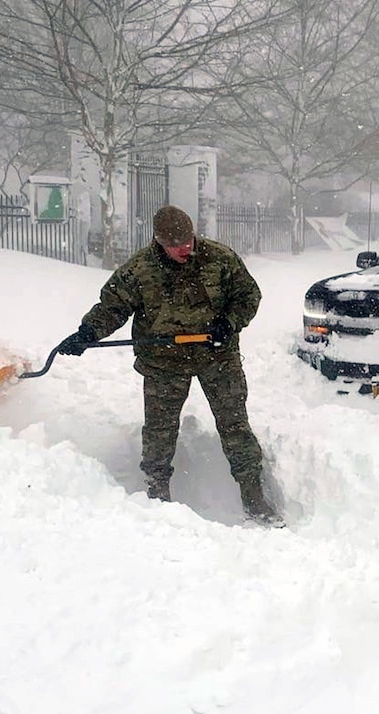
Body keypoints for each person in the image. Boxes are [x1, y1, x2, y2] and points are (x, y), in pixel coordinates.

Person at [55, 205, 283, 526]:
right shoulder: (140, 270)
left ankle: (253, 493)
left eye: (188, 240)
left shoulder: (220, 258)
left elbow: (248, 296)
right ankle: (157, 490)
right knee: (160, 431)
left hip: (217, 357)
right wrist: (87, 333)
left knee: (234, 424)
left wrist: (229, 323)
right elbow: (113, 306)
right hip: (163, 362)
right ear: (159, 241)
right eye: (175, 244)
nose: (184, 249)